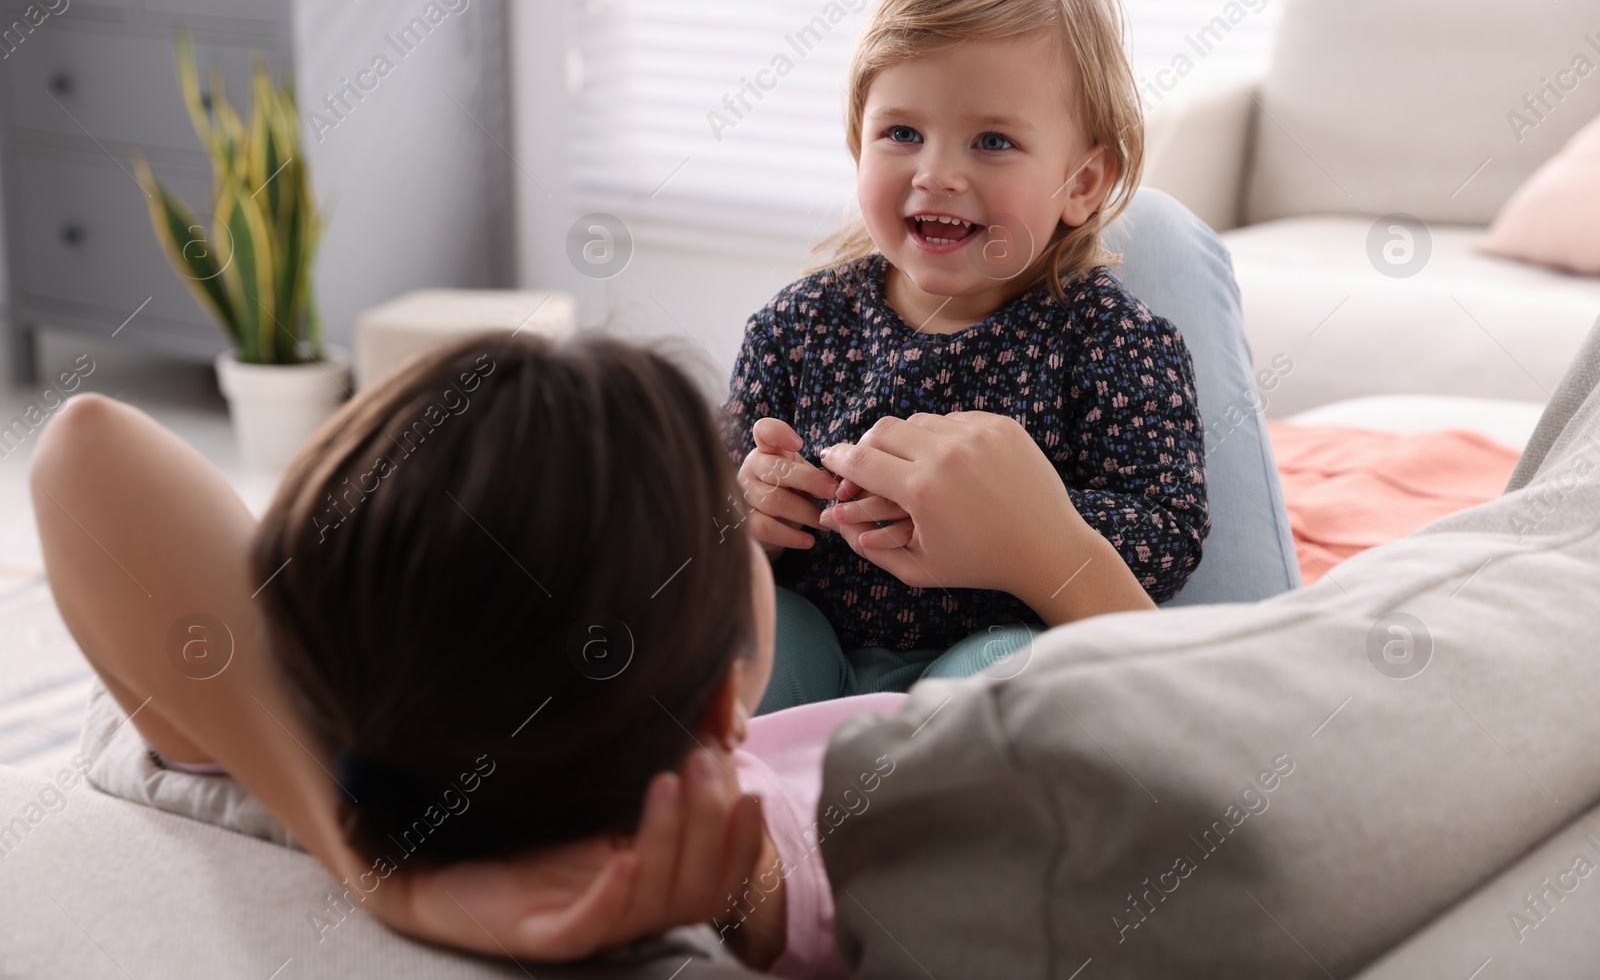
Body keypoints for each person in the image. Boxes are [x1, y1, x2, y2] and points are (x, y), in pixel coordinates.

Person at [32, 329, 1154, 972]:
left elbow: (82, 448)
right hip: (1059, 629)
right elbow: (1223, 721)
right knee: (1150, 242)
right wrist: (1058, 546)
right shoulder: (830, 850)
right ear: (725, 707)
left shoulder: (348, 740)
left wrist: (379, 862)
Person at [725, 0, 1211, 710]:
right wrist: (748, 506)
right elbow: (713, 508)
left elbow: (1168, 531)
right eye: (901, 133)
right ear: (859, 144)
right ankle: (763, 808)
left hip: (988, 647)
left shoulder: (1112, 339)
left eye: (991, 141)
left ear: (1081, 183)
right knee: (737, 632)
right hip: (813, 639)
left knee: (1015, 676)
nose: (936, 172)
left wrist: (1022, 518)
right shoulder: (795, 324)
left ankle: (928, 808)